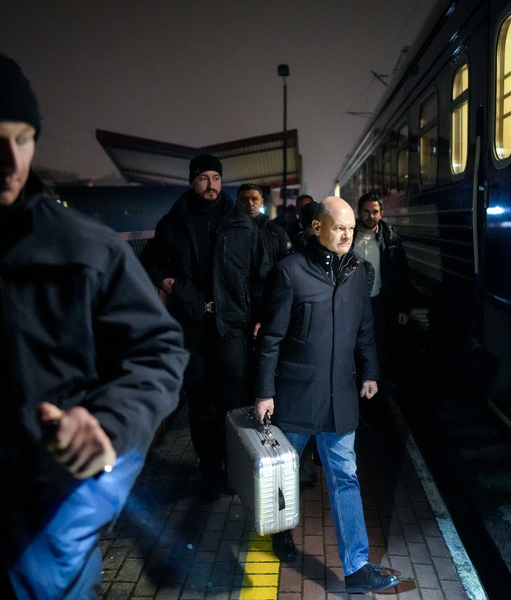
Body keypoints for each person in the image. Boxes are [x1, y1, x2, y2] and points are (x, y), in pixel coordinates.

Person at [0, 39, 188, 599]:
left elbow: (157, 351)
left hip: (41, 533)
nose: (13, 163)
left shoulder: (84, 248)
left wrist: (106, 424)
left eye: (25, 139)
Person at [254, 196, 402, 593]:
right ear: (317, 227)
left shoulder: (359, 273)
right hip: (297, 394)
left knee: (345, 477)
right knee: (285, 474)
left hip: (340, 395)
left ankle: (356, 567)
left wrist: (369, 371)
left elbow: (365, 328)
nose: (347, 235)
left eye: (352, 228)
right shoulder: (289, 273)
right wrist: (264, 392)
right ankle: (282, 533)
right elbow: (270, 339)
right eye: (340, 227)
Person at [140, 155, 267, 500]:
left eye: (215, 178)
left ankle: (233, 465)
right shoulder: (174, 223)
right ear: (192, 182)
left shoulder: (241, 224)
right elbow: (148, 260)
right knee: (200, 403)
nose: (211, 185)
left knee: (232, 402)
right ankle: (210, 470)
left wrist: (256, 317)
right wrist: (170, 283)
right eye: (203, 179)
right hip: (193, 326)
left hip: (231, 328)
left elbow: (260, 276)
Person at [352, 192, 413, 379]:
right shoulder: (348, 237)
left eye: (375, 212)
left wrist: (403, 308)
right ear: (359, 212)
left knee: (375, 344)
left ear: (381, 213)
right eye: (366, 211)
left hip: (378, 302)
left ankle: (371, 385)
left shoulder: (391, 241)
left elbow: (403, 276)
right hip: (350, 304)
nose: (370, 216)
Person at [236, 183, 292, 270]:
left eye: (254, 199)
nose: (250, 204)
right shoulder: (228, 231)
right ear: (237, 203)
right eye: (244, 200)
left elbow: (288, 263)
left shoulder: (277, 232)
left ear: (261, 202)